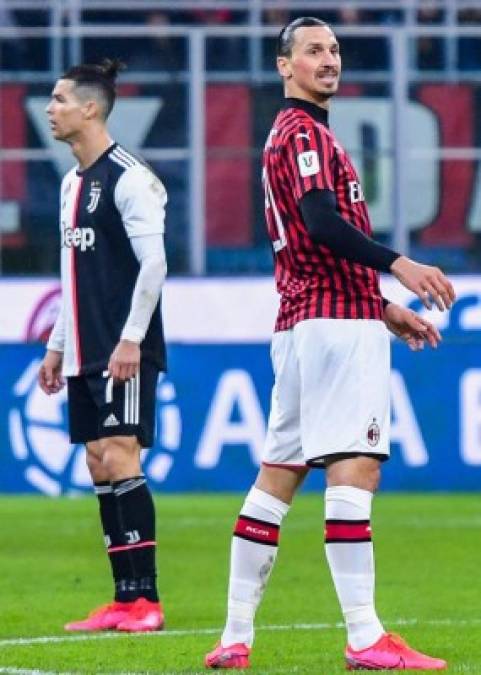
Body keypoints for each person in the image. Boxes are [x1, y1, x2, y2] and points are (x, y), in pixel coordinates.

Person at [205, 17, 454, 671]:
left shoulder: (292, 136)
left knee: (276, 476)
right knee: (355, 468)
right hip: (334, 330)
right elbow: (319, 222)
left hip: (302, 322)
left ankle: (235, 634)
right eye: (313, 49)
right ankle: (365, 634)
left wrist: (382, 306)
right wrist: (396, 264)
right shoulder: (303, 134)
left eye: (334, 48)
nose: (328, 58)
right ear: (283, 65)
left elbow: (312, 248)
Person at [38, 59, 168, 633]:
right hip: (86, 348)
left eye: (60, 100)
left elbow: (155, 265)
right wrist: (56, 345)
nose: (51, 109)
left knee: (120, 453)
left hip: (123, 349)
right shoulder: (71, 183)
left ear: (90, 109)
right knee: (97, 462)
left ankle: (148, 601)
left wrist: (131, 340)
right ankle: (122, 598)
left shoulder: (130, 177)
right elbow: (73, 275)